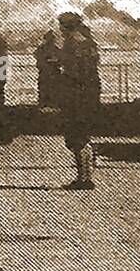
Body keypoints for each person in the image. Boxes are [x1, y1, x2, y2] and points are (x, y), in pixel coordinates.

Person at [57, 11, 102, 189]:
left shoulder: (71, 45)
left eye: (61, 25)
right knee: (83, 136)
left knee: (76, 137)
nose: (60, 29)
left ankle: (84, 178)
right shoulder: (89, 43)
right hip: (89, 94)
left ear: (67, 26)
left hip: (76, 95)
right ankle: (85, 175)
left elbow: (72, 73)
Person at [33, 31, 62, 109]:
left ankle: (46, 105)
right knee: (48, 91)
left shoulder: (43, 48)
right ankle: (48, 105)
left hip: (48, 74)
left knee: (47, 91)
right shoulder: (52, 49)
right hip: (49, 73)